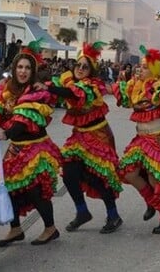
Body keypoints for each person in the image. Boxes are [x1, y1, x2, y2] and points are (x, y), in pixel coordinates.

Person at [0, 39, 62, 246]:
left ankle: (50, 228)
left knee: (35, 190)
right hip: (16, 148)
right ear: (14, 69)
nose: (23, 71)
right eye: (19, 67)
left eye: (27, 68)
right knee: (8, 187)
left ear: (33, 71)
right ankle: (16, 229)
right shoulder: (6, 90)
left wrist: (7, 132)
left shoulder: (37, 92)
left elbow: (23, 120)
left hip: (36, 147)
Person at [35, 41, 123, 234]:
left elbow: (72, 94)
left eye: (85, 66)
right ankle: (82, 212)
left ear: (91, 70)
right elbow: (58, 92)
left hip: (98, 135)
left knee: (99, 176)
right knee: (68, 173)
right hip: (79, 136)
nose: (81, 69)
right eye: (78, 65)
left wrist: (48, 88)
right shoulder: (69, 82)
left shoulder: (91, 86)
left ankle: (113, 215)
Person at [109, 46, 160, 234]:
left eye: (145, 67)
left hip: (156, 137)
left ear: (153, 69)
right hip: (140, 137)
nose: (140, 69)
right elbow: (121, 97)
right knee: (128, 173)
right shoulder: (135, 85)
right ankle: (152, 202)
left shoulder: (157, 84)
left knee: (156, 180)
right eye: (141, 66)